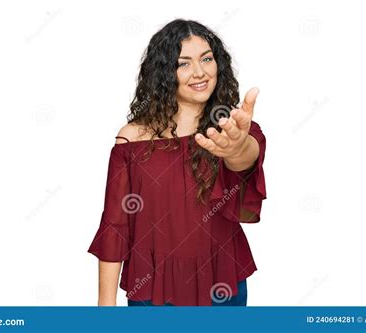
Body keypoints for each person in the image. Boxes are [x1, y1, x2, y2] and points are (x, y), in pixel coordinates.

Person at [88, 19, 267, 306]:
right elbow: (115, 226)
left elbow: (245, 159)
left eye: (207, 59)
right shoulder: (131, 141)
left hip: (222, 284)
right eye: (183, 63)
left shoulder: (234, 128)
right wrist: (104, 311)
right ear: (163, 73)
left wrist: (235, 147)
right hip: (152, 290)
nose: (200, 72)